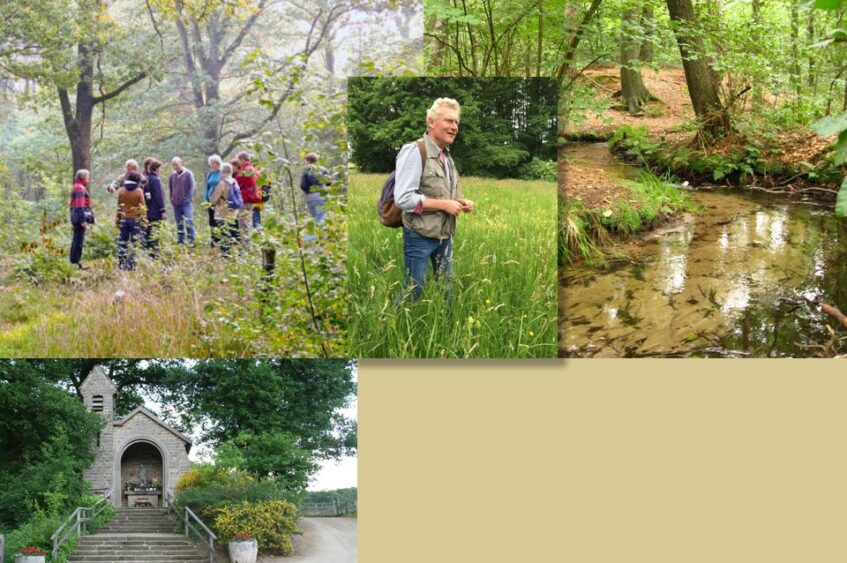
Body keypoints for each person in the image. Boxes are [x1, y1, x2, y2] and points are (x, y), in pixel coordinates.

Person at [393, 97, 474, 301]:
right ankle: (392, 323)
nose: (454, 127)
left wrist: (462, 202)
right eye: (448, 121)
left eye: (456, 122)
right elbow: (402, 199)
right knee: (413, 290)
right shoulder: (414, 151)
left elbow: (443, 192)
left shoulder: (446, 156)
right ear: (431, 122)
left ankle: (447, 329)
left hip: (444, 237)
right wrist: (444, 205)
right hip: (419, 235)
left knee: (446, 291)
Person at [116, 172, 146, 270]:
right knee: (134, 242)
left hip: (124, 219)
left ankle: (121, 263)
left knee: (122, 241)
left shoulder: (121, 191)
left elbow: (119, 207)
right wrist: (144, 221)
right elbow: (142, 207)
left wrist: (117, 220)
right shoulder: (139, 191)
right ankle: (131, 264)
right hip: (135, 219)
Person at [209, 163, 241, 256]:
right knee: (232, 230)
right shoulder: (234, 181)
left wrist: (210, 204)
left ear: (222, 172)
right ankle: (233, 251)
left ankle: (225, 252)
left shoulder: (222, 183)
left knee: (223, 231)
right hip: (233, 210)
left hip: (222, 210)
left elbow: (215, 197)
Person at [70, 169, 95, 269]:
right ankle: (76, 263)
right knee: (78, 241)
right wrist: (82, 220)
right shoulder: (79, 188)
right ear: (83, 178)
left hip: (75, 217)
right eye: (87, 177)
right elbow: (79, 206)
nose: (88, 180)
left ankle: (74, 262)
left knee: (76, 239)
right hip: (78, 218)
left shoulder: (77, 187)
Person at [300, 153, 328, 242]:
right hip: (322, 196)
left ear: (308, 160)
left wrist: (308, 192)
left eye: (305, 160)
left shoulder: (306, 170)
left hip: (310, 198)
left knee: (316, 217)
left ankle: (310, 239)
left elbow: (302, 185)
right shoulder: (323, 169)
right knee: (321, 217)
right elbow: (329, 182)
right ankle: (316, 239)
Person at [168, 156, 196, 246]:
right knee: (179, 222)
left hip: (186, 203)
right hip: (176, 203)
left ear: (181, 163)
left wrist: (187, 198)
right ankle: (181, 241)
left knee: (188, 221)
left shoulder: (188, 174)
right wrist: (171, 199)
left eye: (176, 164)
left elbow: (192, 187)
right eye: (173, 165)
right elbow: (171, 188)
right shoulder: (172, 176)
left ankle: (191, 240)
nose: (175, 167)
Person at [235, 151, 262, 241]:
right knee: (247, 222)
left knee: (243, 224)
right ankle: (248, 244)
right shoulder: (253, 169)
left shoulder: (246, 170)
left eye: (238, 160)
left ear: (242, 159)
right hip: (251, 198)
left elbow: (237, 182)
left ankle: (246, 245)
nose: (238, 162)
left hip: (245, 198)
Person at [143, 159, 166, 257]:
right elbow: (158, 196)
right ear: (156, 168)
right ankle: (154, 252)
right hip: (155, 210)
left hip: (148, 210)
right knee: (155, 231)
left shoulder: (147, 178)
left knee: (148, 231)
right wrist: (162, 210)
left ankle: (147, 251)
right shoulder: (155, 180)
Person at [204, 155, 222, 246]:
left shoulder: (222, 173)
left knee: (219, 220)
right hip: (210, 201)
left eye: (212, 163)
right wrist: (205, 200)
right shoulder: (210, 174)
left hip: (219, 201)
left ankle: (220, 239)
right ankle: (214, 240)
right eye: (210, 164)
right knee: (211, 221)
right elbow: (207, 188)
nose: (211, 165)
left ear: (217, 163)